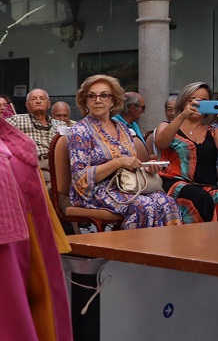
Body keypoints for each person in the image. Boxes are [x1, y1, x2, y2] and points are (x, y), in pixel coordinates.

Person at [65, 74, 179, 229]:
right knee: (144, 206)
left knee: (167, 202)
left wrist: (146, 167)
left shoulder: (123, 128)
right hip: (95, 191)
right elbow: (81, 178)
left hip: (127, 185)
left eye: (104, 95)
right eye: (92, 96)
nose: (98, 100)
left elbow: (130, 163)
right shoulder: (80, 130)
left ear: (113, 101)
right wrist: (117, 163)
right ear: (85, 101)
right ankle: (135, 251)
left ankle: (164, 250)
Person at [154, 82, 218, 223]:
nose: (198, 104)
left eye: (203, 101)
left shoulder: (213, 131)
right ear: (183, 102)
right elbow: (160, 144)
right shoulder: (167, 126)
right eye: (192, 100)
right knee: (198, 196)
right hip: (174, 183)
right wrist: (183, 115)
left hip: (206, 186)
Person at [8, 88, 67, 186]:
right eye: (34, 99)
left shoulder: (61, 125)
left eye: (42, 98)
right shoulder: (17, 120)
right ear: (27, 105)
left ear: (48, 104)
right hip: (34, 166)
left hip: (59, 165)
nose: (38, 101)